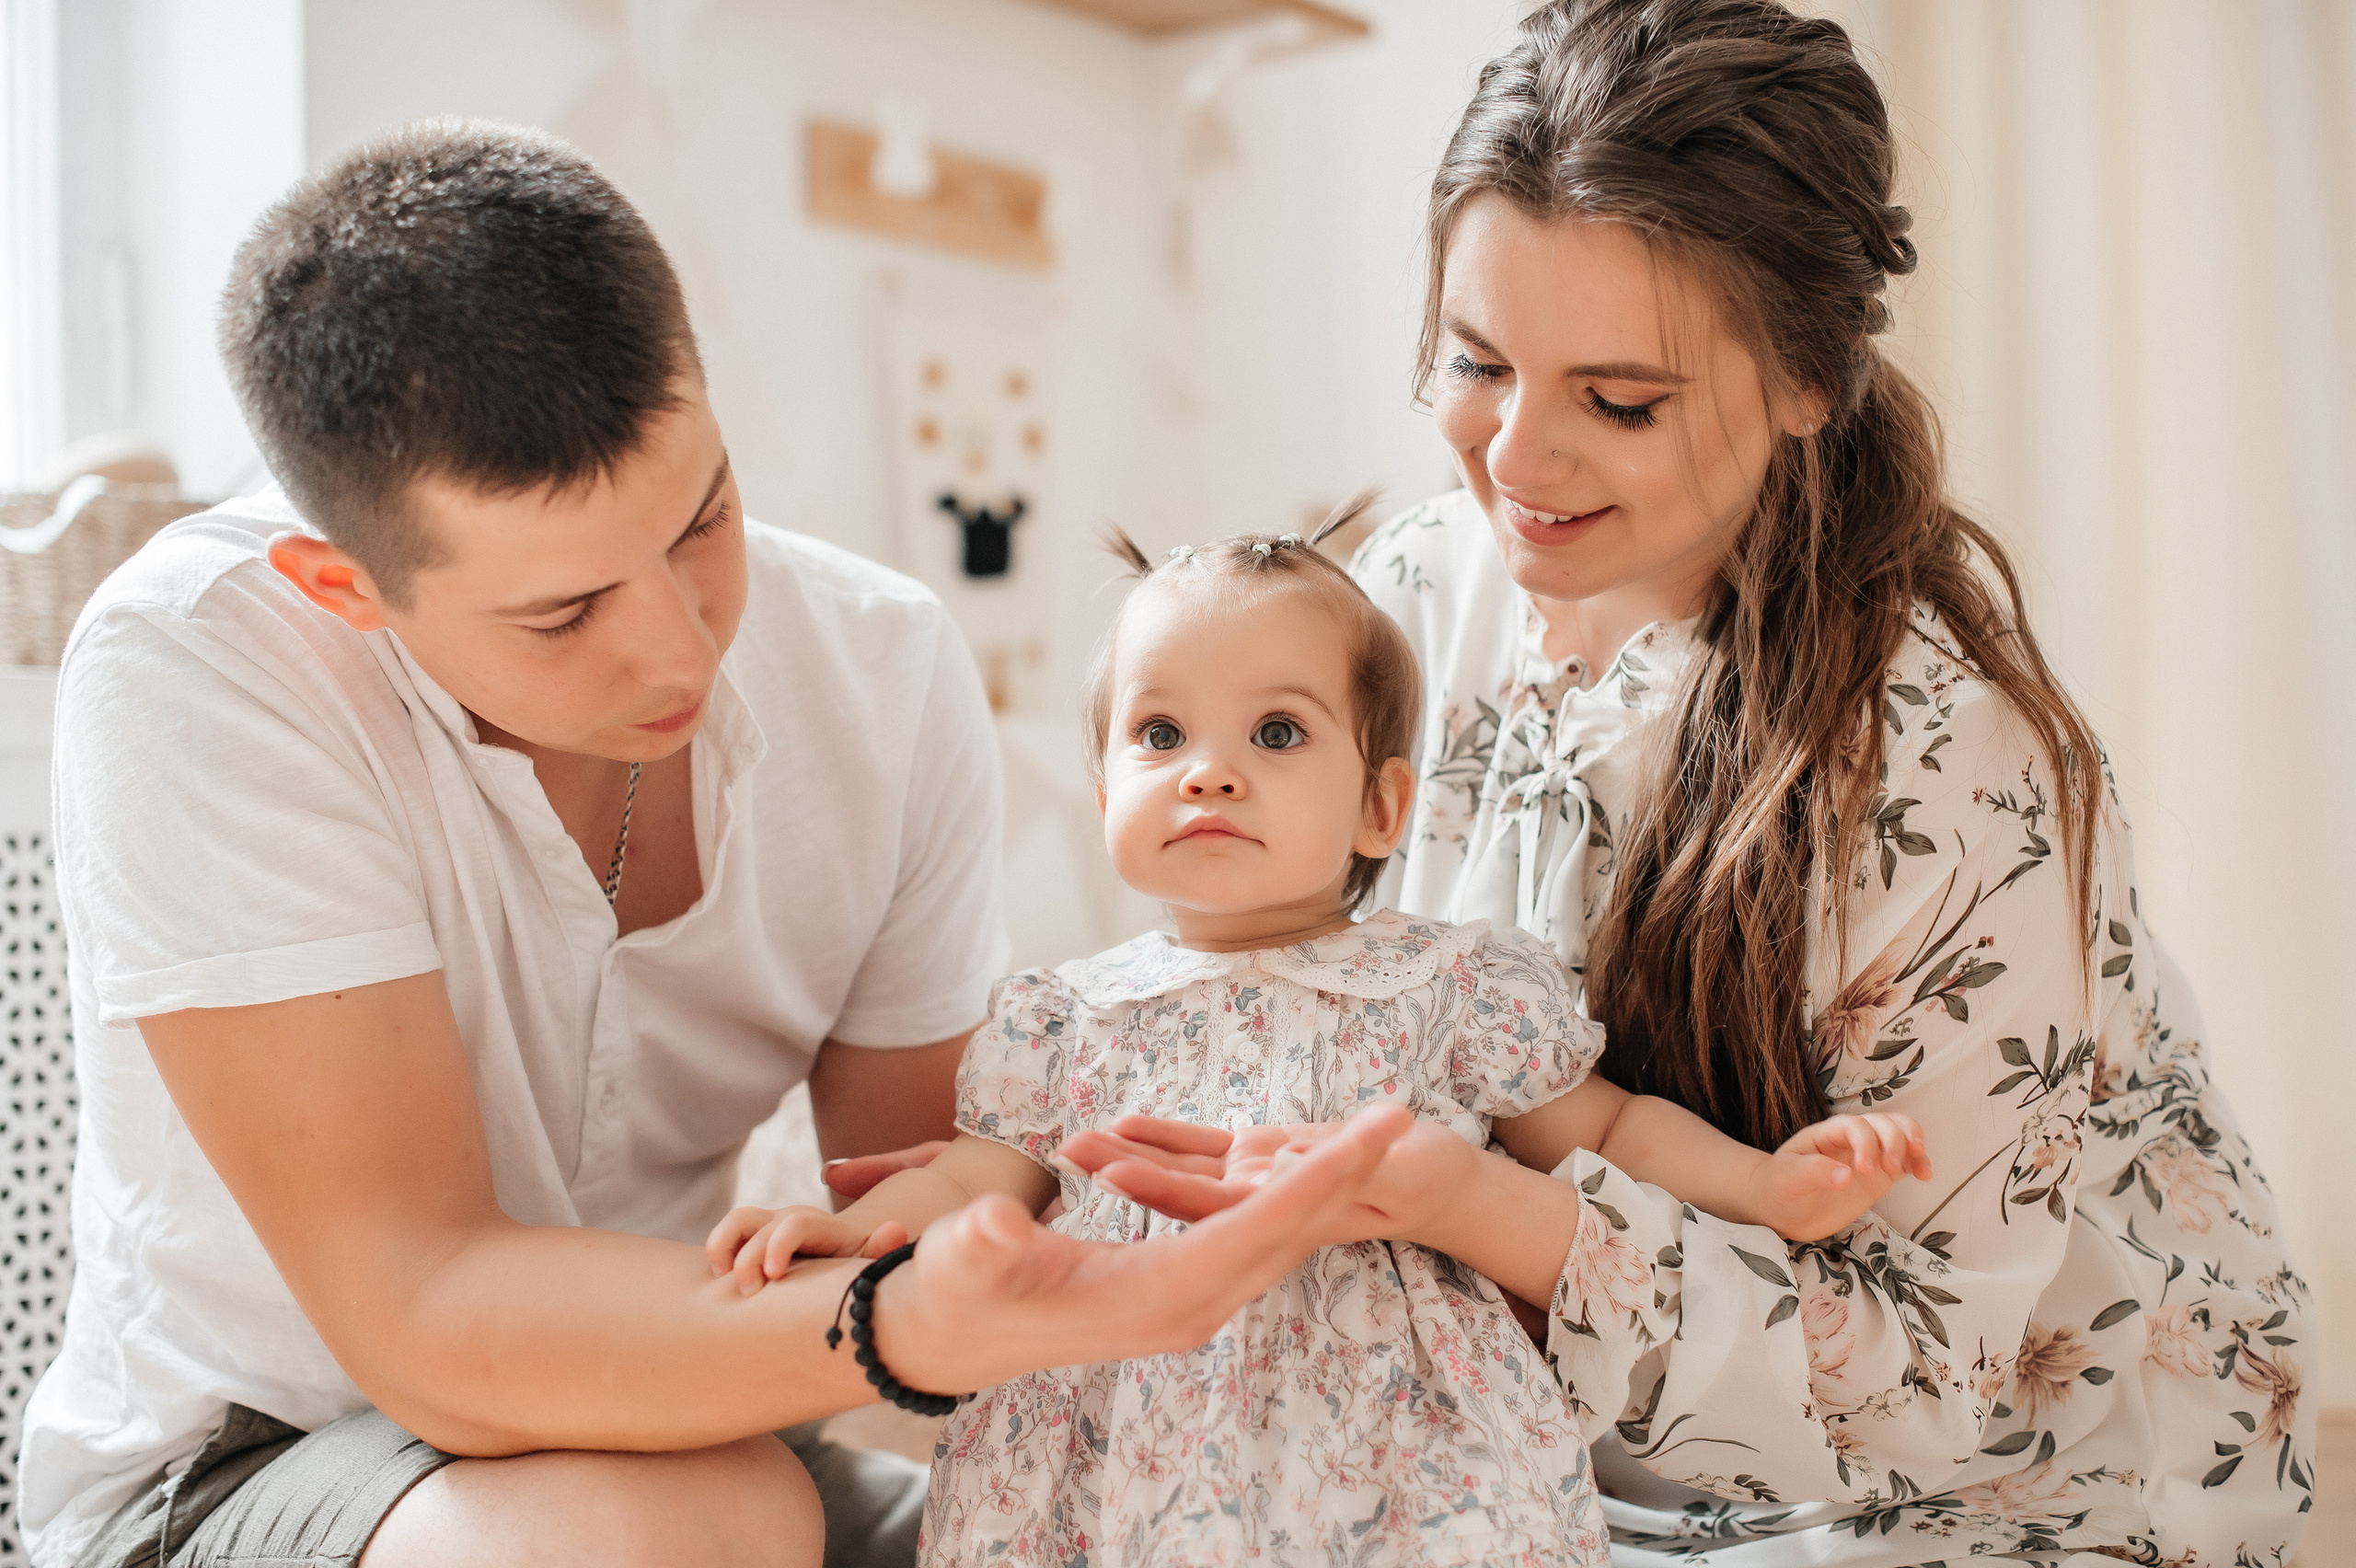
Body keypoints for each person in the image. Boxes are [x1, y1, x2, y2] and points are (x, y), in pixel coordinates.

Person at [16, 118, 1415, 1568]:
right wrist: (913, 1323)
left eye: (704, 519)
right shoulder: (196, 665)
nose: (681, 651)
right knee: (706, 1520)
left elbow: (919, 1200)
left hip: (691, 1425)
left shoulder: (881, 667)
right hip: (259, 1462)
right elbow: (423, 1313)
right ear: (343, 585)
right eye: (563, 615)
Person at [1057, 2, 2317, 1563]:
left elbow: (1941, 1388)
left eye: (1621, 399)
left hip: (1979, 1495)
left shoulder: (1953, 764)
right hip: (1529, 1456)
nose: (1516, 457)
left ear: (1808, 383)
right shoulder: (1402, 603)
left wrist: (1476, 1210)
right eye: (1476, 360)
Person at [720, 518, 1930, 1567]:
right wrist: (864, 1233)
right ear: (1101, 796)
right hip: (1123, 1426)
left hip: (1394, 1444)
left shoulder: (1442, 983)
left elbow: (1603, 1128)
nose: (1210, 775)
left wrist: (1766, 1183)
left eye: (1278, 735)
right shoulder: (1062, 1017)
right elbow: (984, 1177)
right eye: (1159, 736)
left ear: (1380, 807)